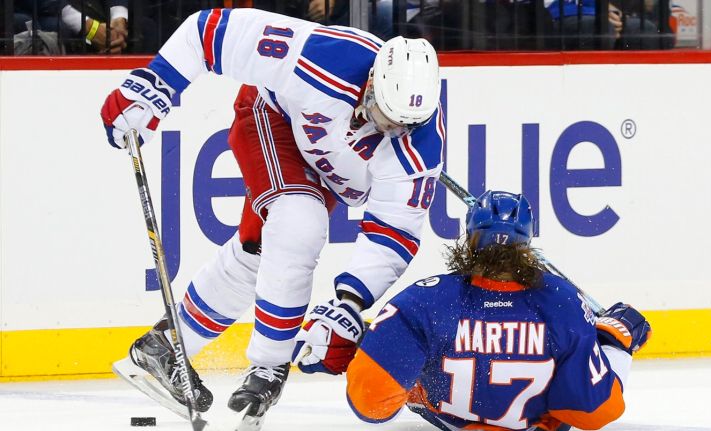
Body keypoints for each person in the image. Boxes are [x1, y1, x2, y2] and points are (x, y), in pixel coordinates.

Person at [100, 6, 444, 426]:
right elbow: (207, 31)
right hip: (272, 118)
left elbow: (393, 233)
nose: (388, 129)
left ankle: (166, 347)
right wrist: (154, 85)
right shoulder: (322, 55)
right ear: (371, 80)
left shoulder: (418, 144)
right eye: (382, 113)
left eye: (401, 124)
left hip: (321, 168)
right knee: (300, 220)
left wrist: (348, 304)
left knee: (261, 252)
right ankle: (270, 365)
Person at [346, 190, 652, 430]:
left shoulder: (424, 301)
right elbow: (593, 412)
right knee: (611, 342)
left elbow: (370, 405)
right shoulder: (563, 302)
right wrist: (616, 343)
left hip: (448, 419)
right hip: (532, 425)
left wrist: (375, 344)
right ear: (528, 242)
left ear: (469, 239)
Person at [14, 0, 129, 54]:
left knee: (143, 24)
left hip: (95, 11)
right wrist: (92, 29)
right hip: (43, 12)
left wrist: (119, 18)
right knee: (57, 29)